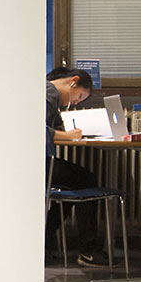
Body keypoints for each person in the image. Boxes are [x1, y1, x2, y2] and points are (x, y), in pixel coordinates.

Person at [45, 67, 107, 266]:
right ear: (73, 81)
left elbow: (54, 127)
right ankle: (89, 250)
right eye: (79, 96)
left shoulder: (51, 97)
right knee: (86, 181)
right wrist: (67, 136)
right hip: (38, 164)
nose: (76, 102)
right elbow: (36, 128)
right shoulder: (49, 93)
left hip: (39, 161)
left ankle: (46, 235)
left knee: (78, 183)